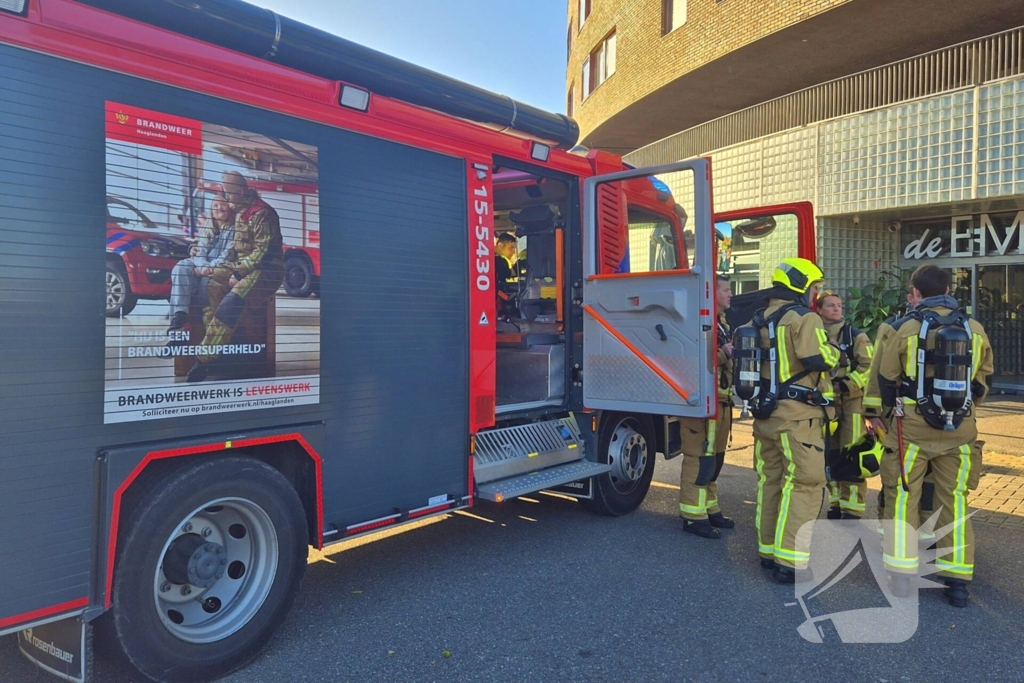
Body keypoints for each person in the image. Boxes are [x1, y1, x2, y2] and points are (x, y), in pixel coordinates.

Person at [865, 264, 994, 607]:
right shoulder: (975, 329)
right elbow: (983, 381)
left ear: (916, 292)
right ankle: (957, 582)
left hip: (912, 429)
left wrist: (884, 415)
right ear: (948, 288)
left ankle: (903, 577)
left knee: (903, 498)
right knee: (953, 500)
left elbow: (888, 375)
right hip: (961, 429)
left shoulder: (907, 327)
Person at [740, 258, 839, 583]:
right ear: (800, 284)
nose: (816, 293)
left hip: (766, 416)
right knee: (806, 485)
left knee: (771, 482)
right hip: (798, 419)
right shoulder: (803, 318)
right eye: (814, 286)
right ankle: (791, 562)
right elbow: (819, 358)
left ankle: (769, 552)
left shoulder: (759, 318)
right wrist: (836, 350)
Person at [186, 171, 285, 383]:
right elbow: (212, 229)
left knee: (232, 302)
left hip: (267, 270)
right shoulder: (238, 209)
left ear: (240, 191)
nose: (226, 198)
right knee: (209, 285)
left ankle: (205, 359)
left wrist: (239, 273)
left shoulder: (261, 213)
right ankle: (222, 349)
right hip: (240, 265)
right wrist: (195, 247)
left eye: (229, 193)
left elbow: (263, 252)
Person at [679, 275, 736, 538]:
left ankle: (710, 510)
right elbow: (700, 361)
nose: (730, 294)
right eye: (725, 290)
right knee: (698, 460)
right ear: (711, 294)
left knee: (715, 459)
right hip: (702, 407)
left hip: (721, 404)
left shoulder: (721, 323)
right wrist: (726, 352)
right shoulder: (699, 323)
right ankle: (693, 517)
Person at [816, 291, 874, 520]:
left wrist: (846, 386)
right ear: (819, 309)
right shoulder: (814, 335)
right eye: (830, 306)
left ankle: (853, 508)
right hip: (825, 403)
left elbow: (869, 367)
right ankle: (836, 502)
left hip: (851, 403)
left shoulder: (856, 336)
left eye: (839, 305)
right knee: (830, 454)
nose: (836, 309)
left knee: (851, 453)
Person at [167, 193, 236, 334]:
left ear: (229, 207)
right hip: (203, 264)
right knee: (181, 267)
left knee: (206, 282)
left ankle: (206, 333)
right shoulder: (207, 227)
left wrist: (206, 269)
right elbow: (200, 251)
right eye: (215, 206)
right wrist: (202, 266)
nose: (219, 208)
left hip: (220, 266)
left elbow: (227, 255)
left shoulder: (235, 229)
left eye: (222, 204)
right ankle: (179, 318)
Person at [494, 232, 525, 318]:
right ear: (500, 245)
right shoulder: (499, 261)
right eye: (510, 248)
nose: (513, 252)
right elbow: (508, 273)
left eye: (514, 248)